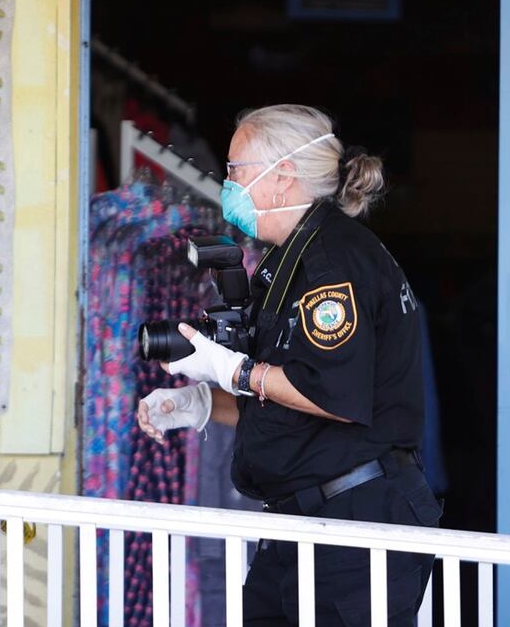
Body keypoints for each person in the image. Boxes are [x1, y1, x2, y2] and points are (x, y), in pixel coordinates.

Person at [137, 104, 441, 626]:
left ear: (283, 177)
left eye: (235, 170)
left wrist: (232, 370)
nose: (225, 182)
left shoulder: (331, 265)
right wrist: (203, 404)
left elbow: (330, 394)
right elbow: (287, 397)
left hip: (355, 525)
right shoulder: (289, 261)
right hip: (302, 524)